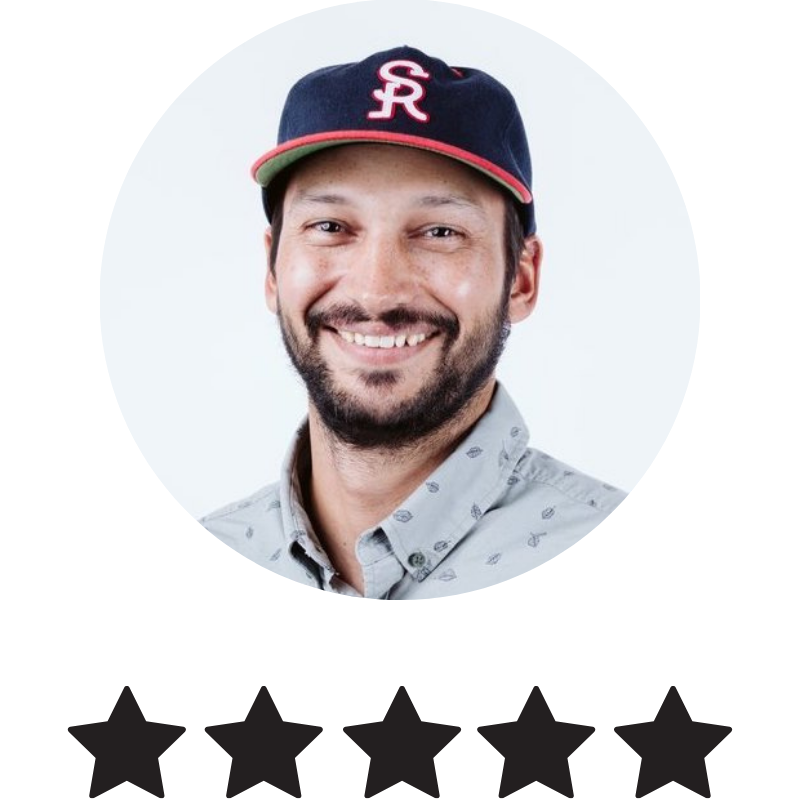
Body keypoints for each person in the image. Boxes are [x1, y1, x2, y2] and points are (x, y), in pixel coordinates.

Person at [197, 46, 629, 604]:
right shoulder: (224, 542)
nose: (377, 291)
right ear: (273, 270)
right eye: (330, 226)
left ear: (521, 280)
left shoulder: (623, 560)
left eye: (440, 232)